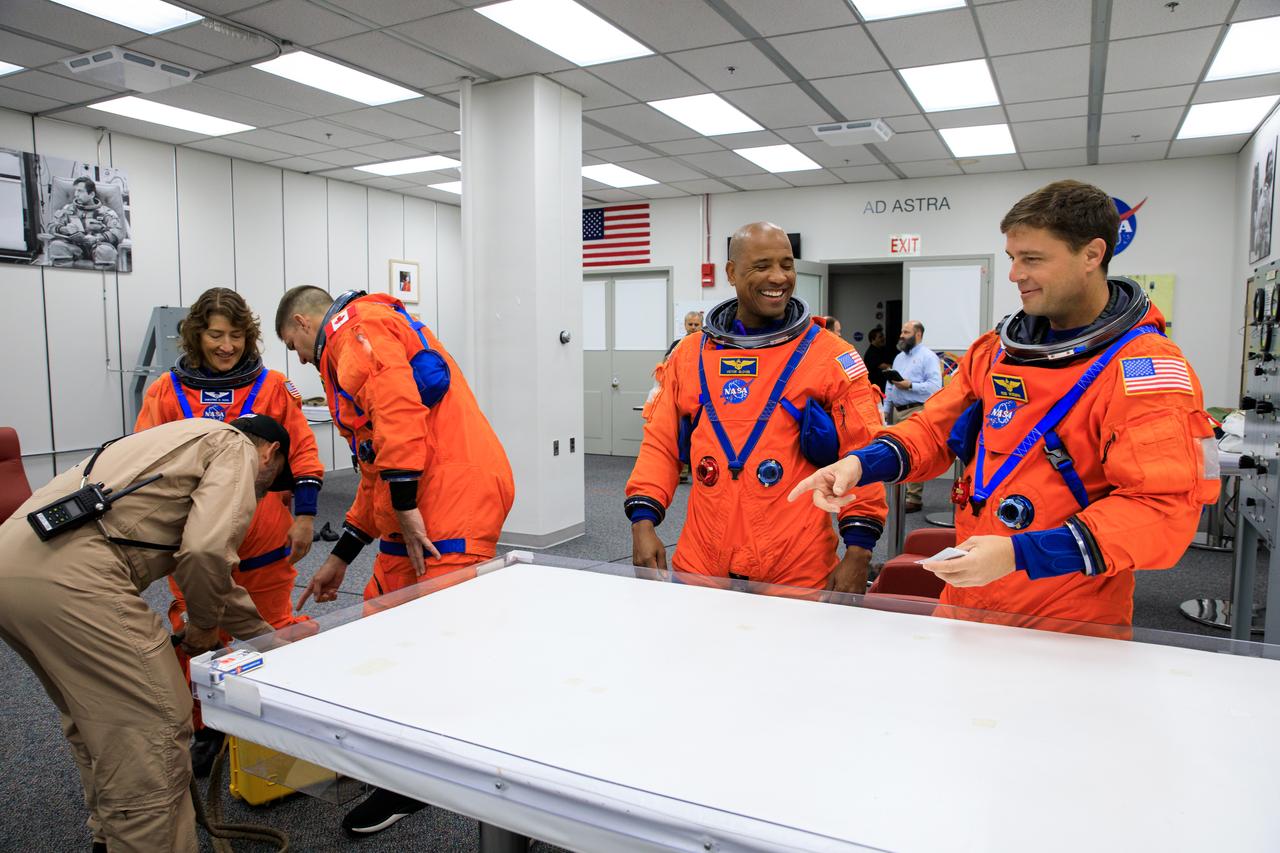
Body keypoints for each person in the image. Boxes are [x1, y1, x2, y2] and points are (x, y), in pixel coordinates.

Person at [790, 180, 1219, 628]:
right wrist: (860, 464)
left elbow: (1161, 509)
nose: (1014, 274)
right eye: (1012, 257)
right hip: (967, 594)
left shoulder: (1145, 370)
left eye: (1032, 259)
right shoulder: (996, 351)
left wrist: (1020, 553)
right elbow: (933, 429)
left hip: (1068, 618)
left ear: (1092, 255)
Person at [275, 284, 515, 836]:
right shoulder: (362, 338)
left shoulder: (355, 331)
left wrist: (405, 505)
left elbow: (399, 412)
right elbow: (375, 465)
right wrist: (342, 555)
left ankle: (422, 778)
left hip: (451, 497)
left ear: (306, 323)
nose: (301, 359)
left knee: (432, 644)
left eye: (293, 345)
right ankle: (398, 757)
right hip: (423, 496)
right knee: (381, 626)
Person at [0, 416, 287, 853]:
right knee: (152, 730)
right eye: (268, 486)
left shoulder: (177, 437)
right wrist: (204, 627)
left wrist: (265, 640)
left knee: (102, 721)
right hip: (76, 581)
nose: (260, 496)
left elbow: (209, 573)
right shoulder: (235, 447)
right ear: (270, 454)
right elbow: (206, 552)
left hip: (15, 565)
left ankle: (111, 837)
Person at [627, 222, 887, 594]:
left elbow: (864, 454)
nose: (778, 277)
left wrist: (859, 552)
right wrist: (643, 522)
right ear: (732, 273)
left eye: (787, 265)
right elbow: (660, 445)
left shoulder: (830, 356)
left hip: (797, 561)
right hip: (703, 558)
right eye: (762, 266)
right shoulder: (690, 355)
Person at [135, 287, 324, 771]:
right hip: (192, 543)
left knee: (272, 630)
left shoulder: (273, 387)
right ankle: (206, 728)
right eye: (216, 335)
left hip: (265, 538)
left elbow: (303, 452)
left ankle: (282, 720)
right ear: (196, 335)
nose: (227, 346)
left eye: (236, 336)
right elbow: (144, 459)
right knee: (196, 637)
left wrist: (305, 517)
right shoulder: (165, 392)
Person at [883, 320, 942, 512]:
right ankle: (901, 494)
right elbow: (890, 385)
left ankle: (914, 498)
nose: (901, 335)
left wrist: (910, 385)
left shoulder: (928, 357)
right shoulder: (899, 358)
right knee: (897, 452)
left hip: (916, 409)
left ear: (918, 335)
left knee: (915, 453)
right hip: (897, 411)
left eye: (906, 332)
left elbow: (935, 387)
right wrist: (886, 409)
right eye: (902, 331)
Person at [45, 176, 123, 269]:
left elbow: (117, 233)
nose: (76, 194)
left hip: (98, 246)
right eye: (75, 191)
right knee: (57, 245)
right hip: (74, 247)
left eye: (80, 191)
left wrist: (97, 238)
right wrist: (64, 229)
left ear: (91, 194)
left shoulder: (106, 212)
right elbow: (51, 226)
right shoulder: (68, 209)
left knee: (106, 251)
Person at [862, 326, 895, 391]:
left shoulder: (882, 350)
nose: (883, 338)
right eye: (880, 337)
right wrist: (900, 366)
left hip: (883, 386)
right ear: (873, 339)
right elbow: (884, 367)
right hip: (876, 387)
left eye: (883, 336)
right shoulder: (871, 353)